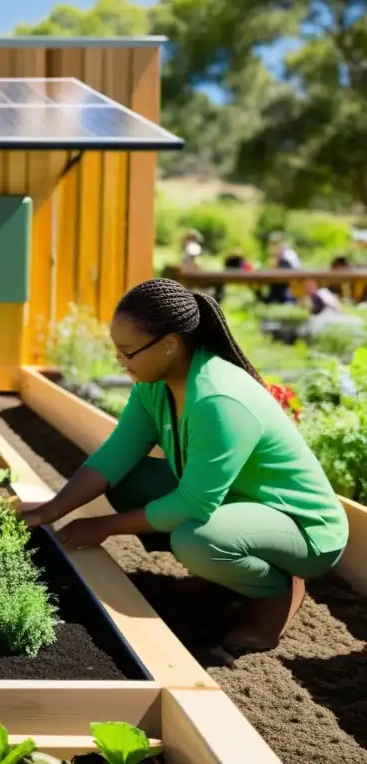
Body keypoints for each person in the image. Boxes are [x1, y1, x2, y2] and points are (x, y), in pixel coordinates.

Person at [23, 278, 349, 651]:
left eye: (127, 353)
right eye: (117, 352)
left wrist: (105, 526)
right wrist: (49, 511)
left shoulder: (217, 400)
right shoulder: (155, 385)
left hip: (302, 527)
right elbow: (116, 455)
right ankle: (225, 576)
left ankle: (275, 595)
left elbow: (194, 505)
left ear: (169, 346)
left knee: (195, 539)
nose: (120, 362)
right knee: (127, 479)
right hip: (240, 503)